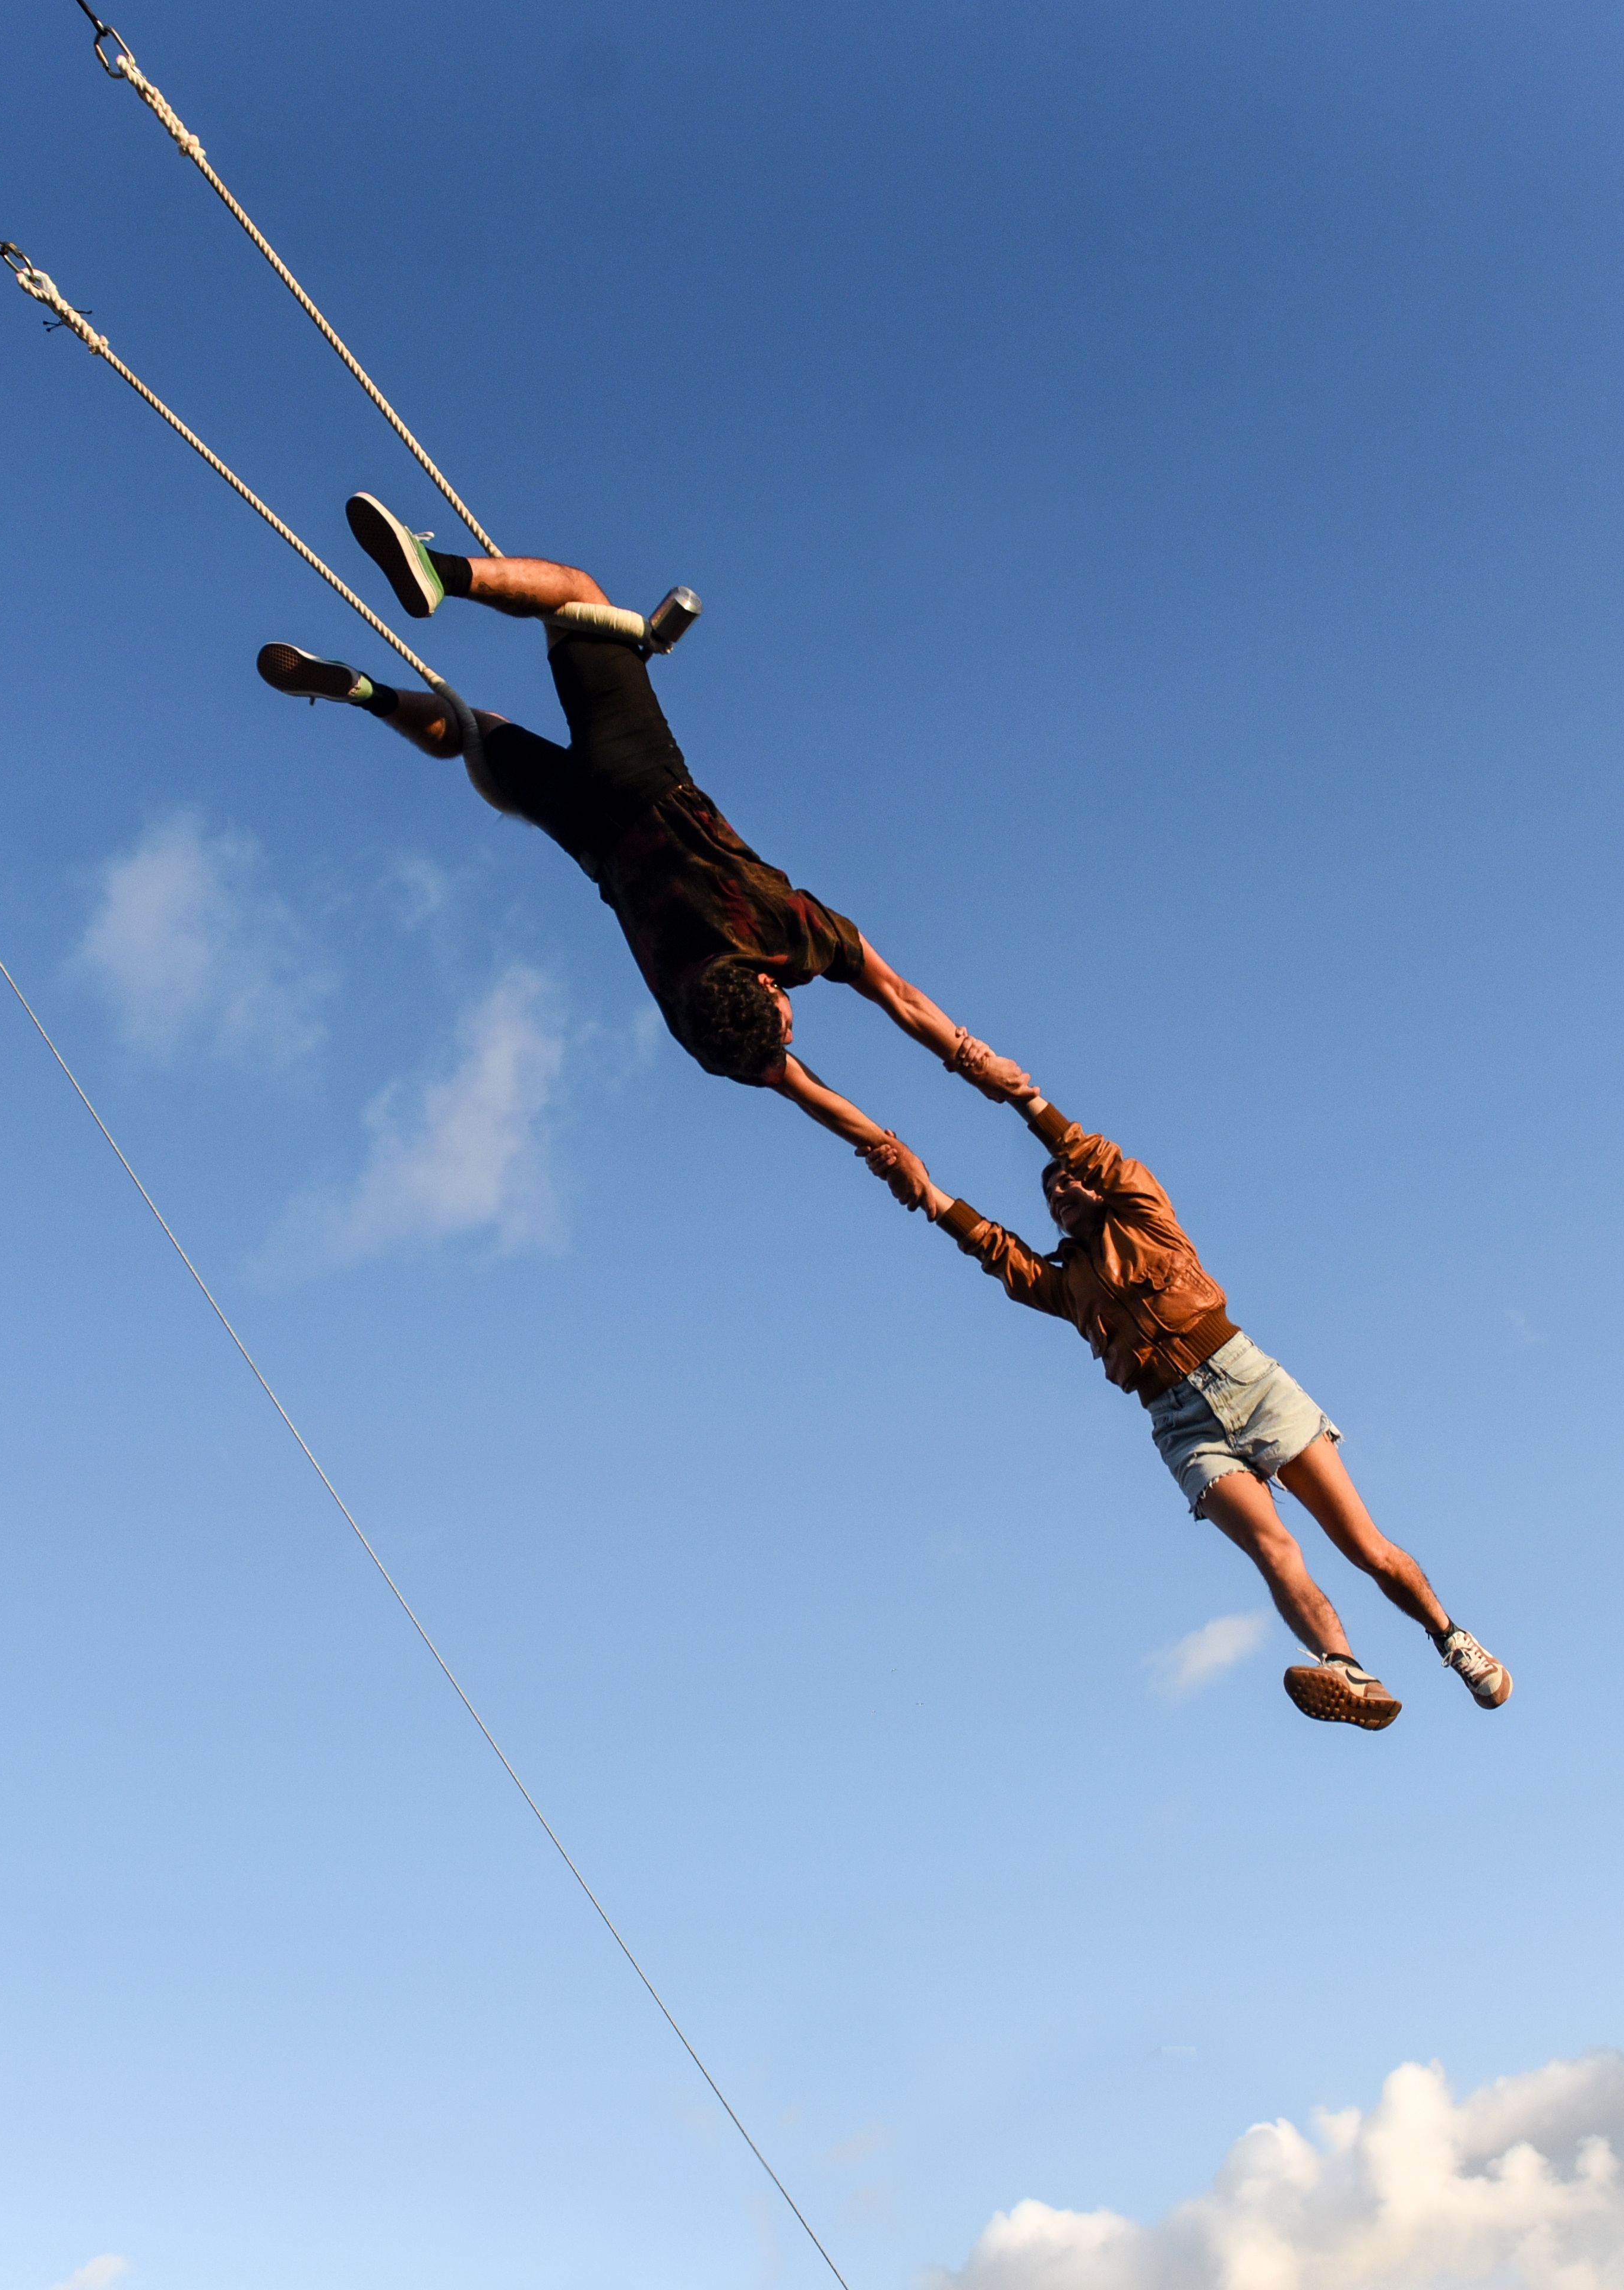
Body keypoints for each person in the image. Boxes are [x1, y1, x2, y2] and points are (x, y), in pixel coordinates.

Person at [260, 494, 1008, 1173]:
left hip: (644, 782)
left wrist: (973, 1065)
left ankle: (440, 571)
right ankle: (363, 691)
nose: (788, 1005)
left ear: (759, 981)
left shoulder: (787, 930)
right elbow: (803, 1090)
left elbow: (898, 998)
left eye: (782, 1006)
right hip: (587, 834)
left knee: (579, 598)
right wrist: (882, 1146)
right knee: (474, 731)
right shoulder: (702, 1027)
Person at [875, 1069, 1512, 1731]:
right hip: (1181, 1425)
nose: (1059, 1191)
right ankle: (1347, 1669)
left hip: (1247, 1381)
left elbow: (1094, 1153)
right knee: (1273, 1547)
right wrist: (924, 1190)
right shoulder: (1067, 1286)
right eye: (1048, 1191)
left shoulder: (1147, 1217)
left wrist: (1024, 1099)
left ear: (1097, 1185)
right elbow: (995, 1249)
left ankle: (1450, 1637)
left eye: (1067, 1179)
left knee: (1365, 1547)